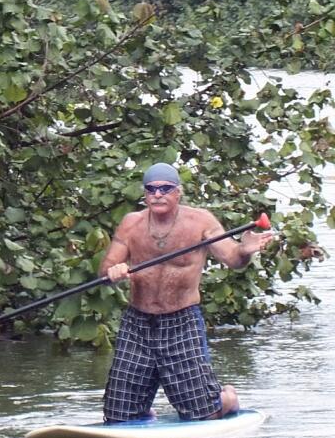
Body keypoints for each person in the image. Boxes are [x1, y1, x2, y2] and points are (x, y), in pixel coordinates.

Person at [97, 163, 278, 423]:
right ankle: (141, 411)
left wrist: (245, 251)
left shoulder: (200, 221)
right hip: (138, 322)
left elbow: (232, 258)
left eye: (165, 189)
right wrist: (112, 272)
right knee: (117, 417)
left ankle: (227, 399)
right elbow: (105, 271)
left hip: (182, 321)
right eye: (152, 189)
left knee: (203, 414)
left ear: (178, 192)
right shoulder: (131, 224)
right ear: (145, 194)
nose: (158, 194)